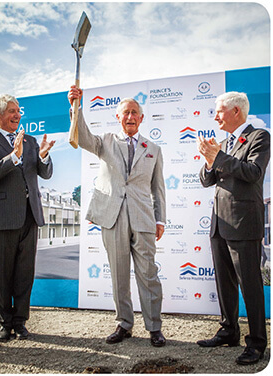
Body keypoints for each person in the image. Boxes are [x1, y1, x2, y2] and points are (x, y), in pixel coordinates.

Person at [68, 86, 166, 346]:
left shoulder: (153, 149)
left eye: (135, 112)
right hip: (113, 218)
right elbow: (83, 136)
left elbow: (158, 188)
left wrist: (160, 219)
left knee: (148, 274)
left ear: (141, 118)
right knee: (119, 275)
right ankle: (124, 324)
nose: (130, 117)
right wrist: (76, 108)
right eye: (126, 113)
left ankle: (154, 327)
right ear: (118, 117)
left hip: (143, 219)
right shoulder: (105, 142)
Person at [196, 92, 270, 365]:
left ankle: (257, 343)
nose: (215, 117)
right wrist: (209, 159)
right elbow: (207, 180)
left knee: (250, 284)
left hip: (243, 223)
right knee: (224, 283)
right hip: (219, 223)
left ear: (235, 111)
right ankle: (229, 331)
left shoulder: (259, 137)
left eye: (219, 111)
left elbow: (252, 173)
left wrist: (218, 156)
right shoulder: (224, 143)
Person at [0, 94, 55, 342]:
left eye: (18, 111)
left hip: (30, 217)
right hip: (2, 218)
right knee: (4, 275)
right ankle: (4, 324)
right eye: (11, 111)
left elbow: (45, 174)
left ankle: (20, 322)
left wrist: (42, 156)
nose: (17, 115)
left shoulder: (31, 141)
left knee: (24, 274)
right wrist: (14, 156)